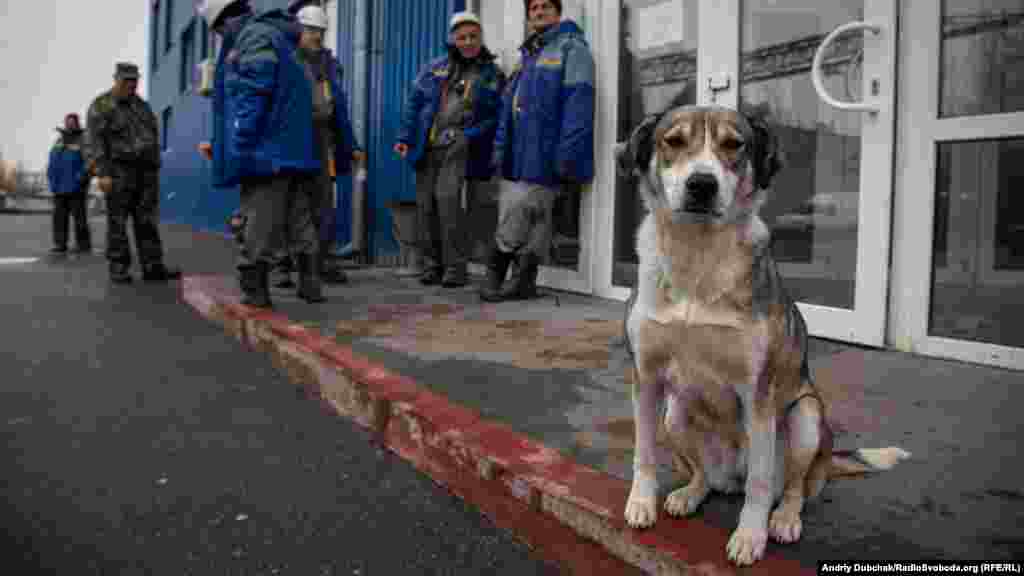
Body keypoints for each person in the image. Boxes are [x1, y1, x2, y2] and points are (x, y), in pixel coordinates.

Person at [199, 0, 322, 307]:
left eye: (217, 32)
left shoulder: (252, 37)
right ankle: (310, 285)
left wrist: (240, 140)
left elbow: (254, 90)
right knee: (298, 217)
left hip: (267, 150)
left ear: (223, 23)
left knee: (258, 219)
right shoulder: (279, 37)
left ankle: (255, 288)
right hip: (293, 149)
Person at [480, 0, 595, 302]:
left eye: (545, 6)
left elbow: (579, 104)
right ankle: (523, 282)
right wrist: (500, 149)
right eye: (533, 8)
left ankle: (497, 269)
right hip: (518, 152)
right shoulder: (528, 55)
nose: (539, 12)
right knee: (536, 218)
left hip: (547, 150)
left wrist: (568, 154)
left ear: (558, 13)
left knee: (522, 210)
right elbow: (508, 107)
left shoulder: (572, 49)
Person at [394, 11, 505, 288]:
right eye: (461, 37)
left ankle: (455, 269)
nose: (467, 42)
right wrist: (405, 137)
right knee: (426, 207)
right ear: (452, 40)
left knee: (448, 205)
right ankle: (432, 265)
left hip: (458, 149)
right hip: (427, 146)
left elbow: (496, 117)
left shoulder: (491, 74)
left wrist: (468, 135)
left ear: (480, 38)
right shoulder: (434, 68)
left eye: (473, 37)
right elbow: (415, 104)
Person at [271, 2, 364, 289]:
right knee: (287, 200)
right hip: (292, 137)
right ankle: (282, 264)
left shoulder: (329, 64)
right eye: (311, 30)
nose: (317, 36)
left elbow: (340, 108)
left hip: (321, 138)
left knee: (324, 203)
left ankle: (322, 261)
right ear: (299, 28)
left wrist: (350, 144)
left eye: (321, 31)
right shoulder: (284, 58)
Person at [83, 63, 181, 284]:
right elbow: (92, 141)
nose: (131, 84)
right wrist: (101, 172)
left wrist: (155, 165)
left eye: (134, 80)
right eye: (126, 80)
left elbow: (152, 136)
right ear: (116, 79)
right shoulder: (102, 105)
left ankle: (152, 266)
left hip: (146, 173)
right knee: (117, 222)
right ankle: (118, 267)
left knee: (147, 221)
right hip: (118, 172)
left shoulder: (142, 106)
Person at [47, 113, 92, 254]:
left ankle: (83, 245)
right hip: (59, 187)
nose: (69, 124)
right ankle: (60, 244)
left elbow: (90, 162)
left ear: (77, 124)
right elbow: (52, 160)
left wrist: (82, 178)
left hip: (76, 187)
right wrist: (50, 177)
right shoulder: (59, 140)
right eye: (68, 122)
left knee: (80, 218)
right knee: (59, 218)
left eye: (72, 122)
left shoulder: (83, 140)